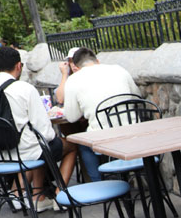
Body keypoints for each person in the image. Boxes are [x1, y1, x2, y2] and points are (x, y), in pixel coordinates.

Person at [0, 46, 76, 211]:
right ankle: (60, 196)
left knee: (38, 145)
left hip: (0, 152)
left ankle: (37, 197)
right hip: (27, 151)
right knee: (69, 146)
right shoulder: (24, 89)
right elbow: (44, 131)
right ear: (19, 66)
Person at [60, 47, 141, 182]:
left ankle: (99, 183)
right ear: (97, 60)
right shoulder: (118, 69)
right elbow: (137, 97)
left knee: (84, 146)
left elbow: (72, 117)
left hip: (104, 140)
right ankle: (132, 176)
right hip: (133, 133)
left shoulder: (74, 80)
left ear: (77, 67)